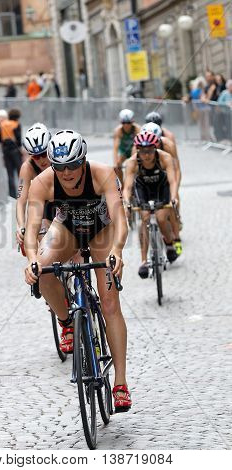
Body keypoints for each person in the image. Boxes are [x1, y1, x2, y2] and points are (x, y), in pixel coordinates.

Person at [24, 130, 132, 412]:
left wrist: (117, 251)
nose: (67, 172)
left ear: (83, 161)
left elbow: (120, 220)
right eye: (60, 167)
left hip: (102, 230)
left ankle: (120, 383)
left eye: (72, 165)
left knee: (109, 304)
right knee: (44, 270)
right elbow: (32, 228)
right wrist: (32, 257)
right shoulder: (41, 182)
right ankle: (67, 321)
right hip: (68, 228)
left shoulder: (103, 173)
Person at [123, 131, 178, 279]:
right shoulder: (132, 162)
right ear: (138, 150)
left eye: (149, 151)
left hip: (162, 188)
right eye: (142, 151)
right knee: (145, 218)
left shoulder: (165, 157)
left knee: (160, 218)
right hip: (143, 189)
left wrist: (173, 198)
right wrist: (127, 202)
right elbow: (127, 187)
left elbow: (172, 181)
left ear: (155, 148)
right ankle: (143, 261)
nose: (146, 155)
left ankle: (169, 243)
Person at [140, 122, 182, 255]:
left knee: (170, 207)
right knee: (145, 215)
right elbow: (134, 172)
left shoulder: (168, 145)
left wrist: (175, 194)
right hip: (148, 179)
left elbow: (176, 171)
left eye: (156, 143)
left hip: (164, 177)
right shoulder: (139, 149)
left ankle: (176, 238)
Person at [16, 123, 52, 245]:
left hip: (64, 202)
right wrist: (20, 226)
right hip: (44, 206)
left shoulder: (60, 159)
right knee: (45, 245)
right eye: (36, 156)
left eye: (44, 154)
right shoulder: (27, 167)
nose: (41, 160)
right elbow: (21, 201)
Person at [113, 109, 141, 186]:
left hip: (134, 150)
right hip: (124, 151)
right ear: (121, 122)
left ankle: (132, 183)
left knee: (133, 165)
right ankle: (123, 184)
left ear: (132, 122)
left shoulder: (137, 129)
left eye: (128, 122)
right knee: (116, 166)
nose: (126, 125)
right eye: (124, 123)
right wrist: (116, 163)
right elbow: (115, 148)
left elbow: (139, 145)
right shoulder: (118, 131)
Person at [0, 108, 23, 199]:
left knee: (10, 173)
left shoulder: (2, 124)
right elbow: (18, 138)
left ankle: (12, 194)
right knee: (20, 173)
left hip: (6, 151)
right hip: (15, 150)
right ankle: (23, 192)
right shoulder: (16, 124)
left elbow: (0, 139)